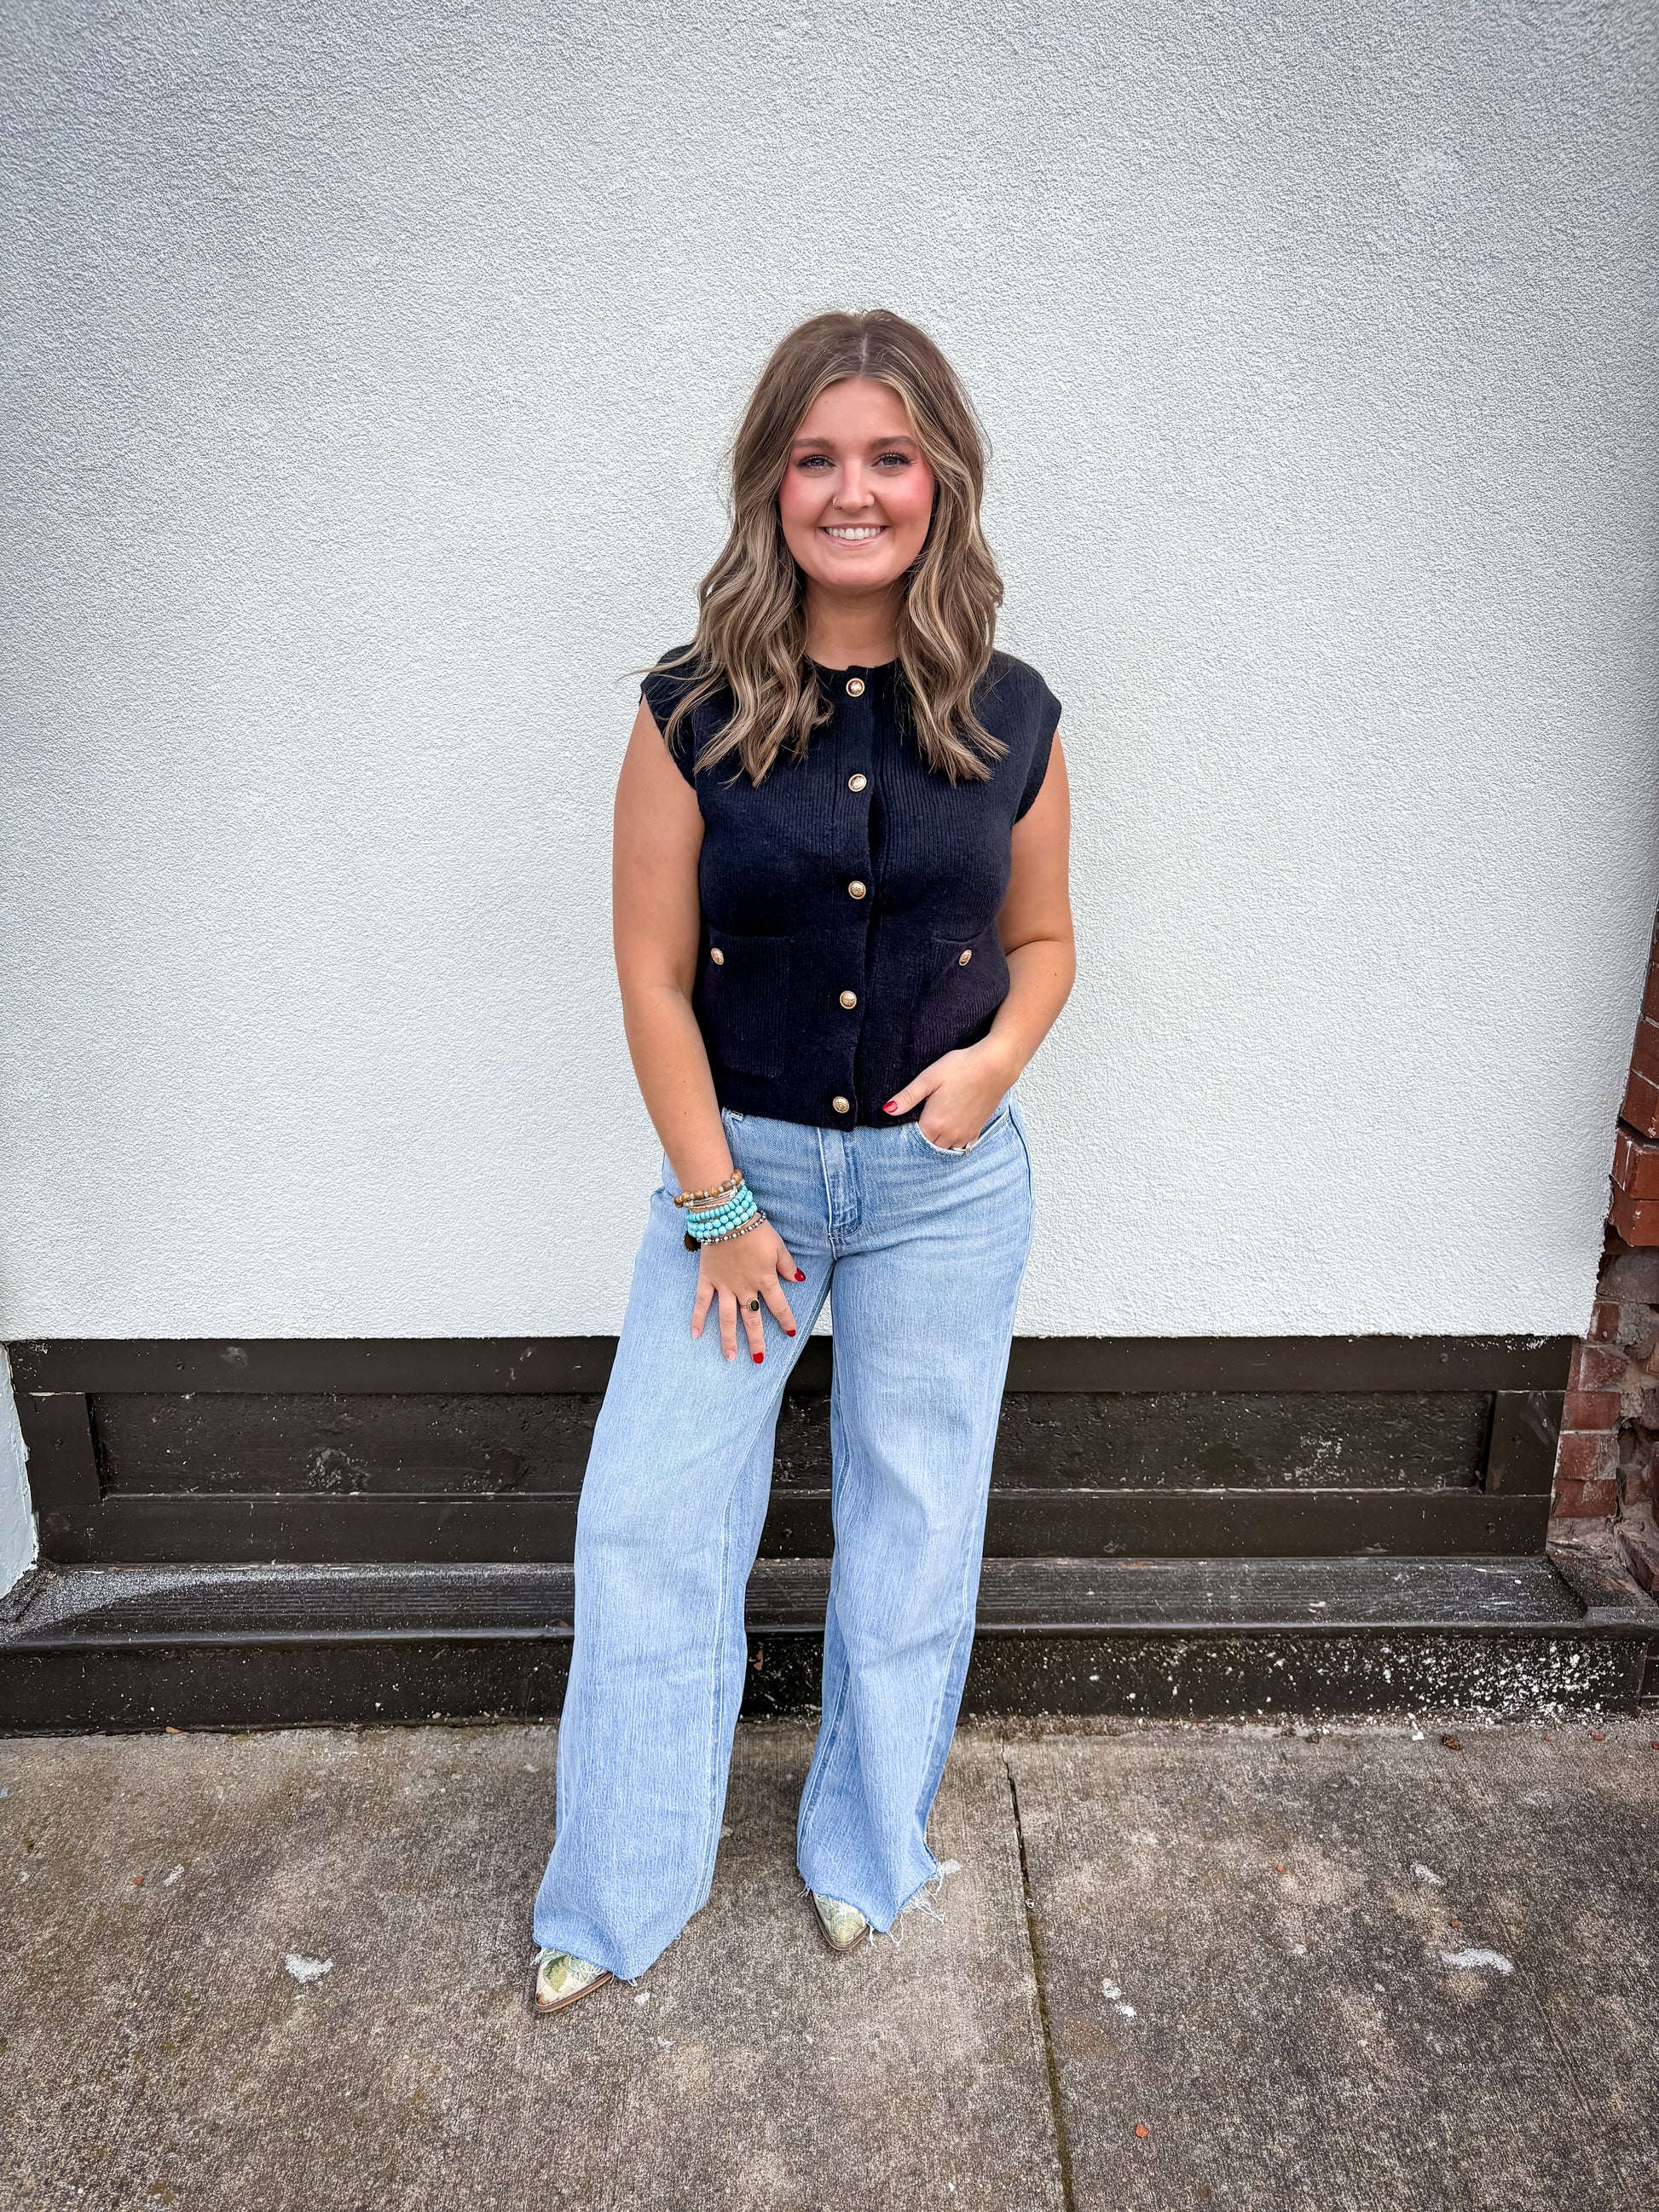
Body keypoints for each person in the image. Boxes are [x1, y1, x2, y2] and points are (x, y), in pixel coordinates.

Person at [531, 307, 1075, 2013]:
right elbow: (647, 972)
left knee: (912, 1528)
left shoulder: (1012, 711)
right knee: (650, 1523)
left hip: (943, 1194)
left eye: (889, 457)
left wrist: (992, 1065)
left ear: (940, 480)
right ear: (771, 483)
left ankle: (865, 1849)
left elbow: (1045, 940)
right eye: (817, 456)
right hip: (739, 1186)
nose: (854, 490)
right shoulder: (686, 710)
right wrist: (715, 1205)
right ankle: (616, 1891)